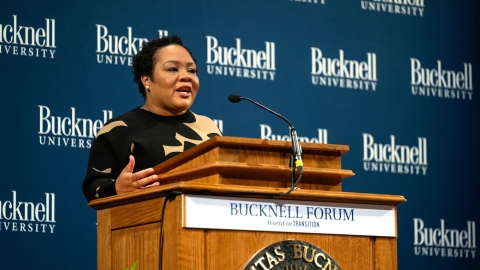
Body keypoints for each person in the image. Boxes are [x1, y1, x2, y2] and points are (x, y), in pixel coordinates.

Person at [82, 35, 222, 202]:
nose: (186, 76)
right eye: (172, 69)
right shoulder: (120, 129)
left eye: (191, 70)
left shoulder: (209, 127)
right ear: (146, 79)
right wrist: (117, 189)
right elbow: (93, 188)